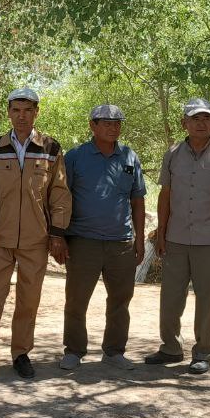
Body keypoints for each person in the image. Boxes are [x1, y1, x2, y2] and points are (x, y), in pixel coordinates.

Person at [0, 88, 71, 382]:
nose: (21, 116)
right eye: (16, 110)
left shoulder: (50, 148)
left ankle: (21, 354)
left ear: (36, 112)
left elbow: (59, 193)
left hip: (36, 240)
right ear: (9, 112)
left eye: (27, 110)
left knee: (28, 301)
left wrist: (57, 232)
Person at [146, 98, 210, 374]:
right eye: (195, 118)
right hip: (176, 237)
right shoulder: (173, 154)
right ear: (184, 123)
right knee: (170, 297)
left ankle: (203, 352)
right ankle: (170, 348)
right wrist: (161, 233)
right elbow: (165, 195)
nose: (201, 123)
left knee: (208, 300)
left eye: (206, 118)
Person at [60, 104, 146, 372]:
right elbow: (61, 198)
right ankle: (74, 351)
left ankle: (114, 351)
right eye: (107, 123)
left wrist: (140, 239)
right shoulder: (75, 157)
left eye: (117, 123)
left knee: (121, 301)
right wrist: (58, 236)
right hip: (82, 241)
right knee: (76, 300)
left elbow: (138, 201)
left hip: (121, 243)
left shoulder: (130, 157)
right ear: (92, 125)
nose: (113, 127)